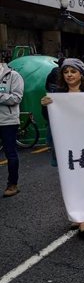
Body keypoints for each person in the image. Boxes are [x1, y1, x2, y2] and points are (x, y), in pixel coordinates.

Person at [40, 58, 84, 237]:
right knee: (71, 181)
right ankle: (78, 214)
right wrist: (44, 106)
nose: (69, 75)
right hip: (65, 145)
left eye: (73, 72)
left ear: (81, 74)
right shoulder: (57, 94)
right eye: (66, 72)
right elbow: (49, 117)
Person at [0, 59, 24, 197]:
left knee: (10, 153)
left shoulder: (13, 76)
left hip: (8, 121)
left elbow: (17, 98)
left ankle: (12, 184)